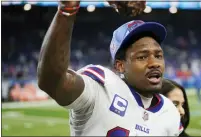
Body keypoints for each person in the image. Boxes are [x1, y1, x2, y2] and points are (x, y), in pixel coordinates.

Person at [37, 1, 181, 136]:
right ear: (120, 66)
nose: (154, 63)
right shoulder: (101, 87)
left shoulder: (170, 113)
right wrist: (66, 11)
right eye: (142, 57)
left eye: (158, 55)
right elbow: (52, 81)